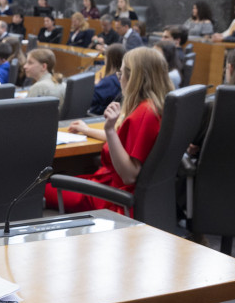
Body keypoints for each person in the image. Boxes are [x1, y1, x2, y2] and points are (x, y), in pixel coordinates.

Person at [47, 47, 173, 212]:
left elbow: (128, 176)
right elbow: (126, 142)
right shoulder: (157, 107)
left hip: (111, 198)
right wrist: (87, 130)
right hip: (118, 190)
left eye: (121, 74)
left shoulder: (144, 114)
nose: (119, 79)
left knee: (39, 190)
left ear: (133, 77)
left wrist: (110, 129)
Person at [89, 44, 125, 115]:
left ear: (110, 60)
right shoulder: (123, 77)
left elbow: (90, 100)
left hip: (99, 115)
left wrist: (95, 85)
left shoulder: (108, 82)